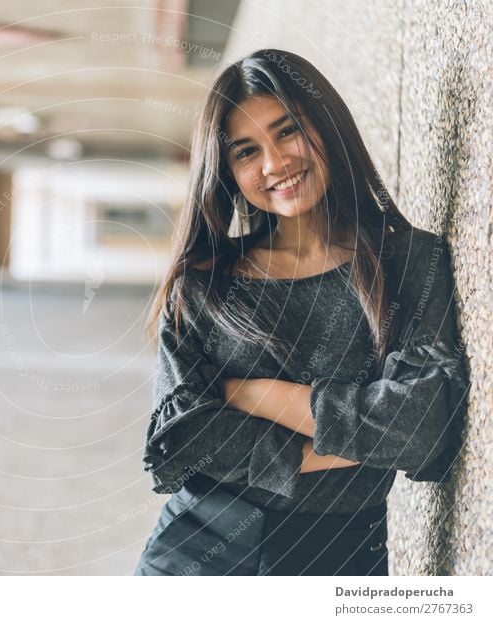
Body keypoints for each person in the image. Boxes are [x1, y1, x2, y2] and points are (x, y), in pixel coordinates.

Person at [133, 48, 469, 576]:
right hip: (197, 555)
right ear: (228, 172)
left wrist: (250, 393)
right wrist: (365, 433)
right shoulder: (203, 286)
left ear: (327, 124)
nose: (275, 163)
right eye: (246, 151)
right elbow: (187, 439)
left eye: (287, 131)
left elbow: (422, 425)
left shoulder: (409, 262)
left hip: (343, 553)